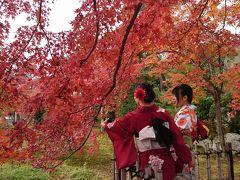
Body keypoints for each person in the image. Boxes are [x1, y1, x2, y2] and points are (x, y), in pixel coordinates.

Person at [102, 83, 192, 180]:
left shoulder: (133, 116)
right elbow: (177, 139)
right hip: (166, 163)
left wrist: (105, 125)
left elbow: (117, 128)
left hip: (147, 165)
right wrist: (187, 158)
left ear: (138, 97)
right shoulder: (164, 113)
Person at [172, 84, 198, 179]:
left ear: (185, 97)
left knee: (183, 176)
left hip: (182, 151)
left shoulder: (185, 113)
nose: (173, 98)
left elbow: (175, 132)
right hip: (186, 150)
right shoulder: (189, 111)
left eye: (175, 96)